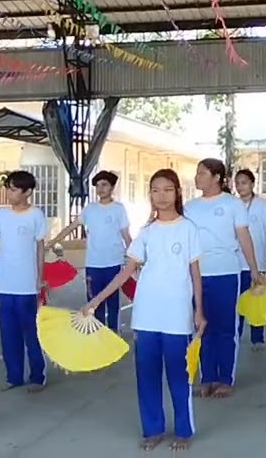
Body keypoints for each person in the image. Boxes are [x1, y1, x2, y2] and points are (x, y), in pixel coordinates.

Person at [82, 169, 205, 452]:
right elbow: (126, 272)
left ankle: (184, 430)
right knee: (146, 375)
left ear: (177, 192)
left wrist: (199, 310)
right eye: (155, 190)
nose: (160, 196)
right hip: (146, 314)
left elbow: (195, 272)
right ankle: (153, 429)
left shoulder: (188, 228)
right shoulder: (146, 233)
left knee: (179, 375)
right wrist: (96, 301)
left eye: (167, 189)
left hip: (176, 315)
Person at [183, 158, 263, 399]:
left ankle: (225, 378)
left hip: (226, 272)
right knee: (202, 326)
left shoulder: (232, 205)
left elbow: (244, 238)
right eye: (197, 174)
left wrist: (255, 270)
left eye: (202, 173)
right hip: (196, 274)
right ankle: (207, 377)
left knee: (226, 328)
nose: (197, 178)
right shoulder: (189, 207)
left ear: (217, 177)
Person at [0, 170, 49, 393]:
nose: (9, 193)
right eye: (8, 189)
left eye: (13, 189)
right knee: (8, 333)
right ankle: (13, 376)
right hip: (4, 283)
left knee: (30, 331)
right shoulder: (1, 215)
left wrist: (40, 278)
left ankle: (37, 376)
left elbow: (40, 247)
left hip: (26, 284)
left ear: (27, 192)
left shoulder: (35, 215)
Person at [49, 170, 131, 332]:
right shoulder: (90, 209)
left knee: (112, 301)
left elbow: (126, 235)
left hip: (113, 263)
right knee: (94, 301)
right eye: (98, 185)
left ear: (112, 187)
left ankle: (113, 333)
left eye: (104, 185)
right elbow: (71, 227)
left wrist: (136, 258)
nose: (100, 189)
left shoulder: (118, 209)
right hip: (93, 263)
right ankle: (98, 333)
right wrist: (53, 241)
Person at [233, 169, 266, 349]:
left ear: (252, 184)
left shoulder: (261, 205)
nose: (240, 186)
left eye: (244, 182)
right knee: (239, 300)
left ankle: (257, 337)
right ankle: (236, 334)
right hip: (236, 262)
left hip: (257, 261)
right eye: (237, 183)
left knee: (256, 299)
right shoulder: (232, 205)